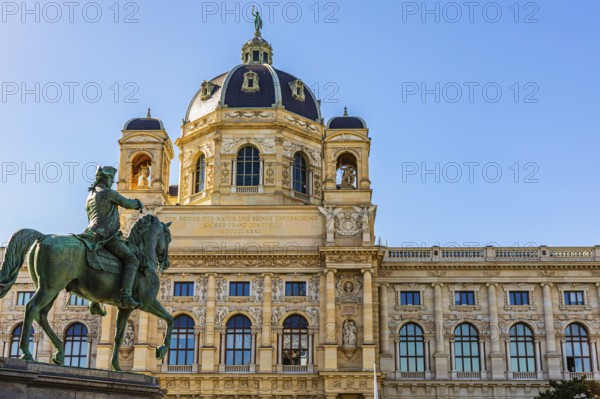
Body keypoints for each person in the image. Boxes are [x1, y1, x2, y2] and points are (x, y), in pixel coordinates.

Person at [85, 166, 144, 309]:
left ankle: (94, 301)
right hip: (106, 235)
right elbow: (128, 204)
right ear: (106, 179)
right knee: (131, 259)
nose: (112, 182)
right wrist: (139, 203)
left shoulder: (91, 196)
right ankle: (125, 295)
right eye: (111, 179)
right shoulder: (108, 193)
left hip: (90, 233)